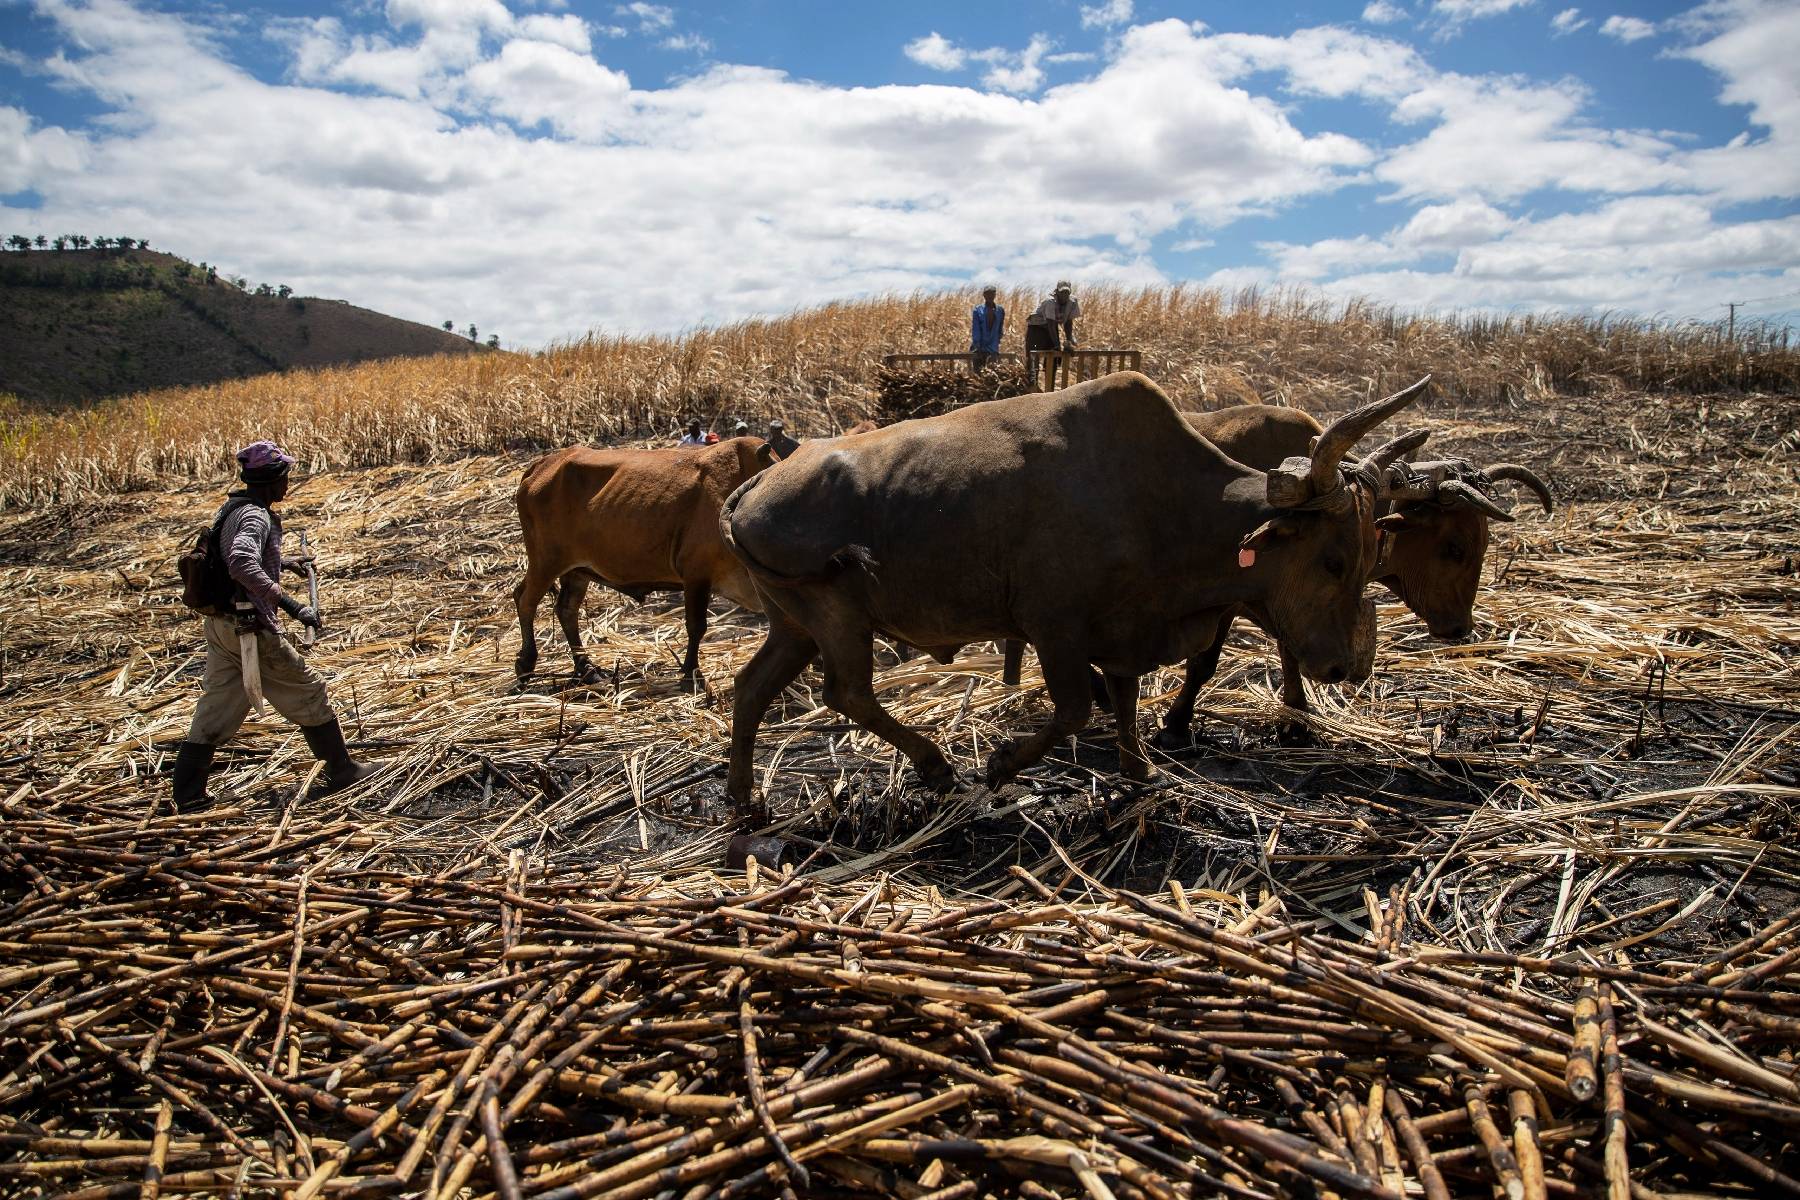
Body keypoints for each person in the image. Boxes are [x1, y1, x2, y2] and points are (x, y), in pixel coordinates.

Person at [170, 441, 380, 810]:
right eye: (285, 476)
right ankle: (341, 769)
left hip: (222, 627)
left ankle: (188, 796)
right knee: (309, 690)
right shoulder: (256, 516)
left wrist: (281, 561)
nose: (288, 483)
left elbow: (231, 556)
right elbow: (239, 561)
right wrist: (292, 604)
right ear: (273, 480)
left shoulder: (234, 507)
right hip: (250, 629)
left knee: (215, 707)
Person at [969, 285, 1005, 371]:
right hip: (979, 349)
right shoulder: (978, 310)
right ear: (984, 295)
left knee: (991, 376)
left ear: (995, 295)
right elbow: (976, 329)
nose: (990, 296)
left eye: (992, 294)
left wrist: (996, 343)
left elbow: (1000, 329)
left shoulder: (1000, 310)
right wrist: (977, 346)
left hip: (993, 349)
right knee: (978, 375)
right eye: (987, 294)